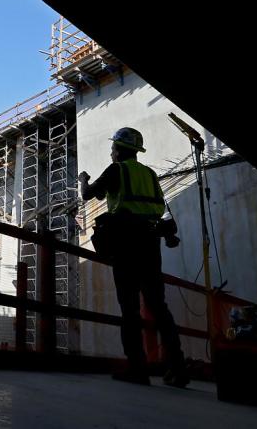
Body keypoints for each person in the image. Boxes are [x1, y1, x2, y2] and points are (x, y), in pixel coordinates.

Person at [79, 127, 190, 387]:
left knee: (129, 308)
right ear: (137, 151)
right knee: (158, 306)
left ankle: (138, 369)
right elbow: (160, 208)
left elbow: (87, 194)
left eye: (113, 149)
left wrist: (83, 179)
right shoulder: (149, 174)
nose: (111, 152)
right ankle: (178, 367)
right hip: (150, 242)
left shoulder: (116, 169)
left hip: (126, 243)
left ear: (118, 150)